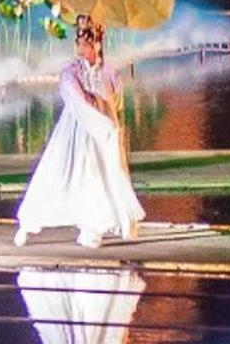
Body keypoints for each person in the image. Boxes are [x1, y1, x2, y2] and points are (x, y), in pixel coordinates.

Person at [14, 16, 143, 249]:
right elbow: (75, 99)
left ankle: (93, 228)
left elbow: (117, 102)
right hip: (77, 132)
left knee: (103, 175)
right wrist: (99, 119)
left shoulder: (110, 72)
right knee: (60, 173)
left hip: (104, 134)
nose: (81, 48)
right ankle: (30, 223)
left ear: (97, 44)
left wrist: (107, 119)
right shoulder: (70, 73)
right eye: (79, 43)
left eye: (87, 43)